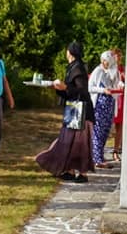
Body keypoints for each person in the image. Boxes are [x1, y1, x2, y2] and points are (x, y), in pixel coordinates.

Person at [35, 41, 94, 182]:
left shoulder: (78, 68)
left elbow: (81, 91)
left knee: (80, 143)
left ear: (71, 52)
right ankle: (70, 170)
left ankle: (83, 173)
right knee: (69, 141)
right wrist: (58, 88)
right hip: (73, 109)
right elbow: (69, 91)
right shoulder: (72, 67)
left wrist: (64, 87)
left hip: (81, 111)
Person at [88, 50, 122, 168]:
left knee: (105, 131)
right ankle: (96, 159)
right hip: (99, 106)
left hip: (109, 106)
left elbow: (116, 83)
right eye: (106, 61)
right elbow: (91, 87)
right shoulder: (98, 71)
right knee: (98, 131)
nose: (106, 64)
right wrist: (103, 90)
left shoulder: (112, 72)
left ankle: (99, 157)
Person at [109, 47, 126, 162]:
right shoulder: (107, 69)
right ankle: (98, 151)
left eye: (119, 56)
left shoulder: (122, 69)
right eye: (116, 55)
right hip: (111, 99)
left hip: (121, 99)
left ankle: (116, 151)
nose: (118, 58)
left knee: (119, 126)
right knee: (106, 125)